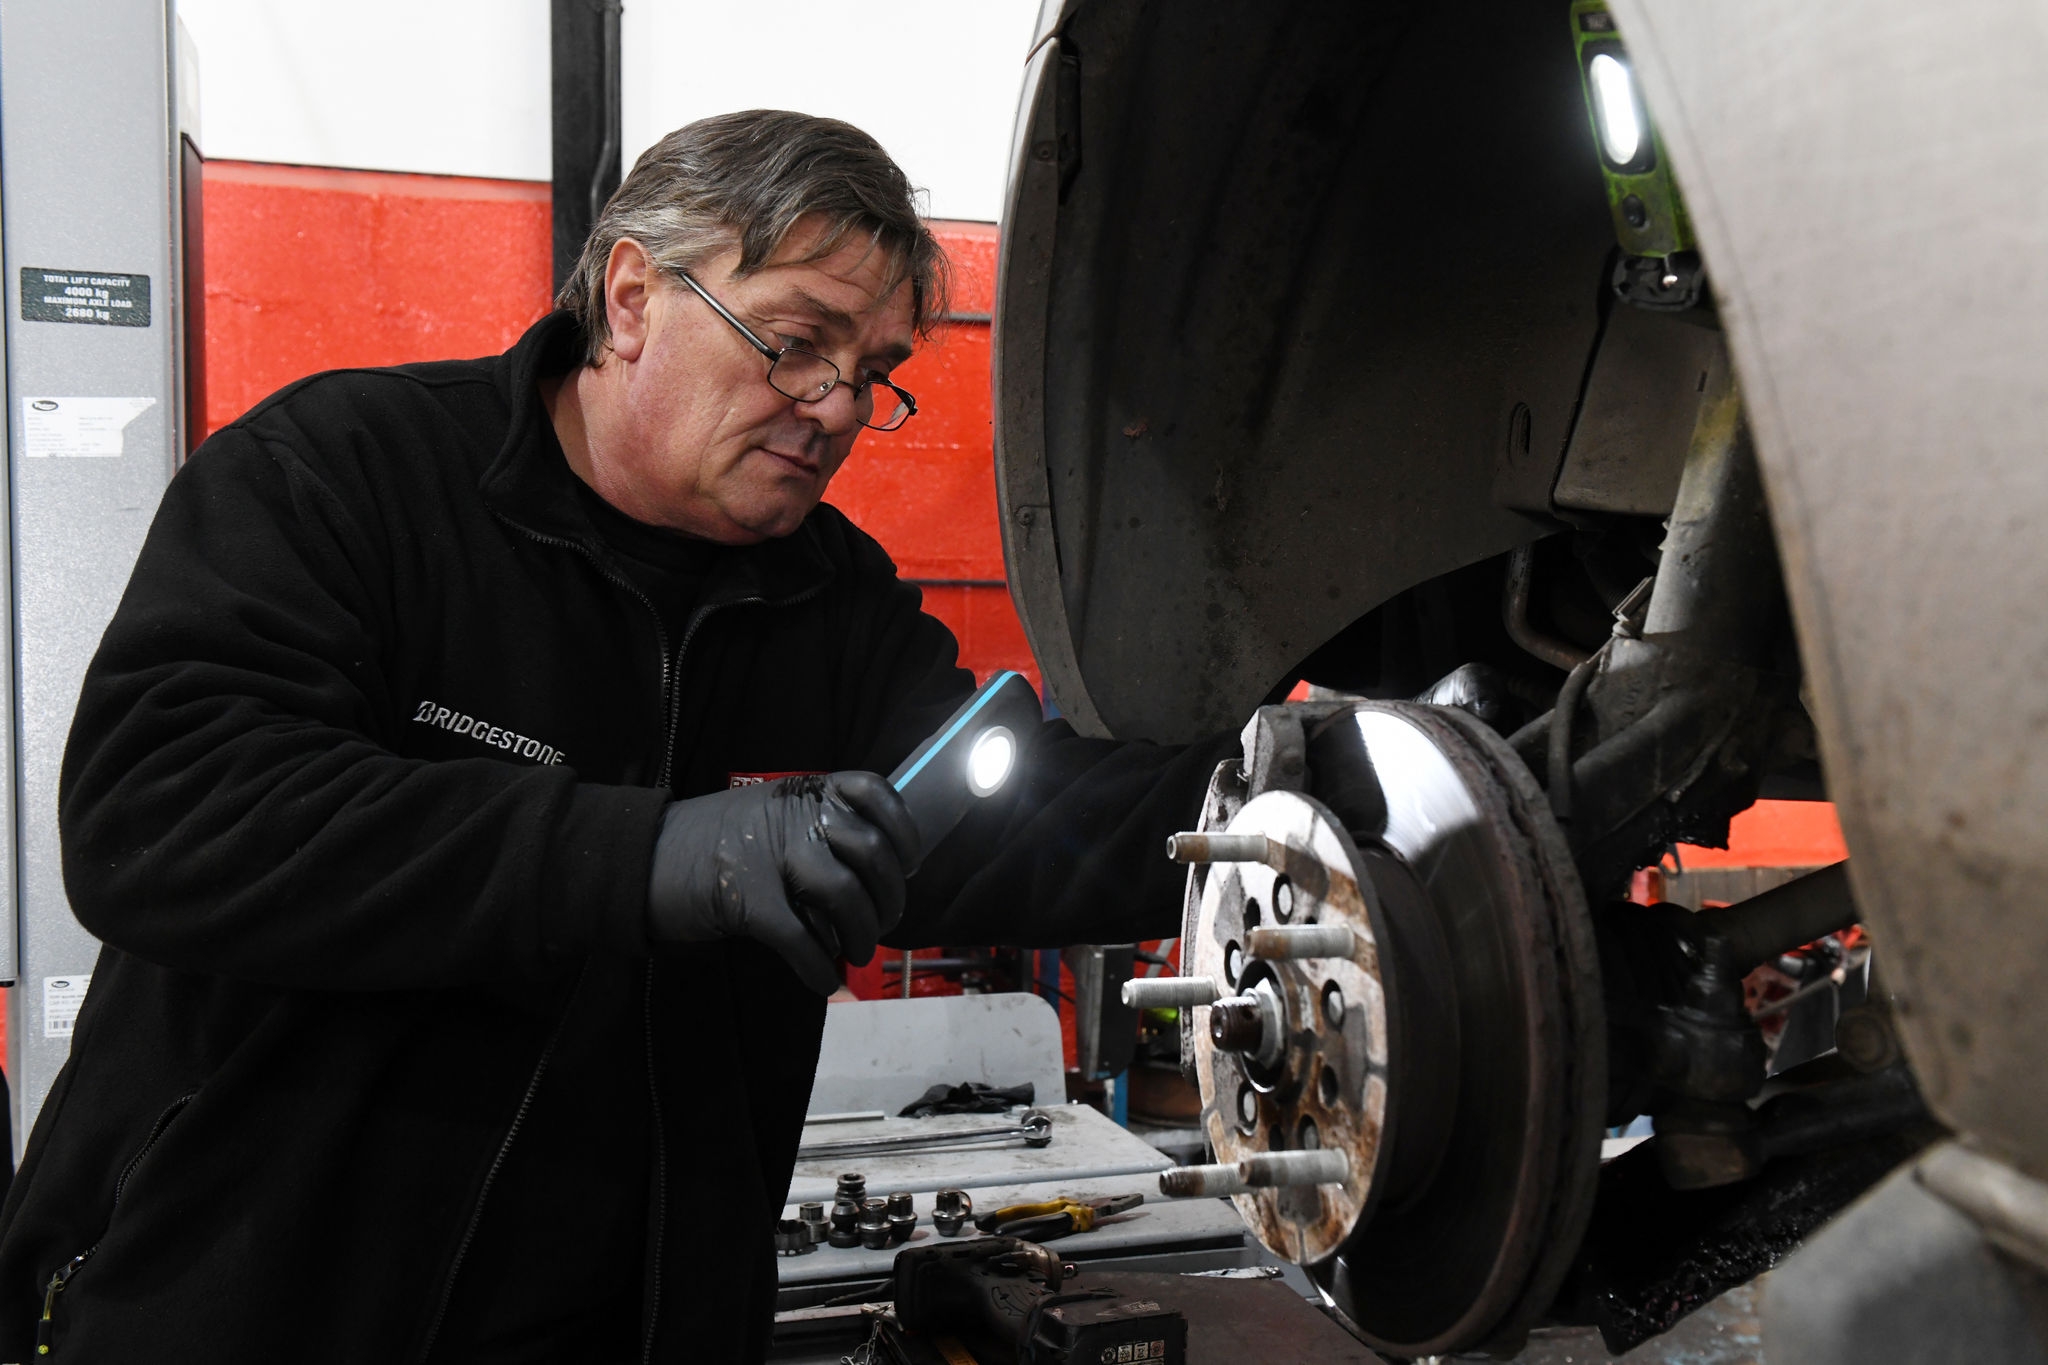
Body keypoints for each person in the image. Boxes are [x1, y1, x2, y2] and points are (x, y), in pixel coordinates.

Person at [0, 111, 1230, 1362]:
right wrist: (645, 855)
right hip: (246, 1311)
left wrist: (1274, 804)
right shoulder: (344, 475)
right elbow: (162, 811)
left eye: (871, 371)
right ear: (634, 297)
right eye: (795, 343)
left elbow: (1012, 825)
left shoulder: (828, 601)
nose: (835, 406)